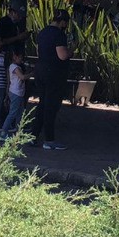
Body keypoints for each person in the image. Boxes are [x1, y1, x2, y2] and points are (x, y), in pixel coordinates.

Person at [32, 9, 72, 150]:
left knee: (42, 104)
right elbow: (61, 55)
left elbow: (38, 52)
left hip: (40, 70)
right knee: (51, 106)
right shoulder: (59, 34)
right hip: (54, 73)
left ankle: (33, 135)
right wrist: (70, 51)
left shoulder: (42, 32)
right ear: (62, 22)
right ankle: (49, 140)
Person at [0, 50, 28, 139]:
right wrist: (32, 73)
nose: (21, 59)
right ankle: (3, 132)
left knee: (20, 113)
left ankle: (19, 130)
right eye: (20, 57)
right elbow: (22, 77)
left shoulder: (14, 67)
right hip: (16, 93)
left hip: (18, 92)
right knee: (12, 113)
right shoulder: (13, 67)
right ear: (14, 56)